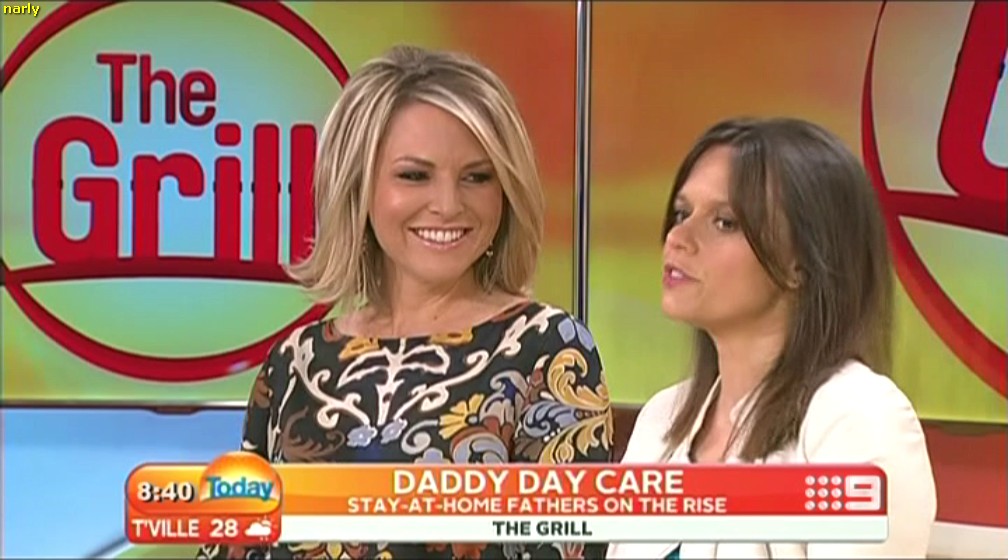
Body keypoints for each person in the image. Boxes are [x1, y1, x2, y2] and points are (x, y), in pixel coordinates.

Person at [196, 45, 613, 560]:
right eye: (414, 175)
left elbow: (564, 545)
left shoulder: (548, 349)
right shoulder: (295, 363)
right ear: (359, 186)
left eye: (477, 177)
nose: (448, 205)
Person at [607, 118, 937, 559]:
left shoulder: (858, 418)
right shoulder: (662, 419)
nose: (678, 238)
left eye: (724, 222)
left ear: (801, 262)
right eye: (682, 213)